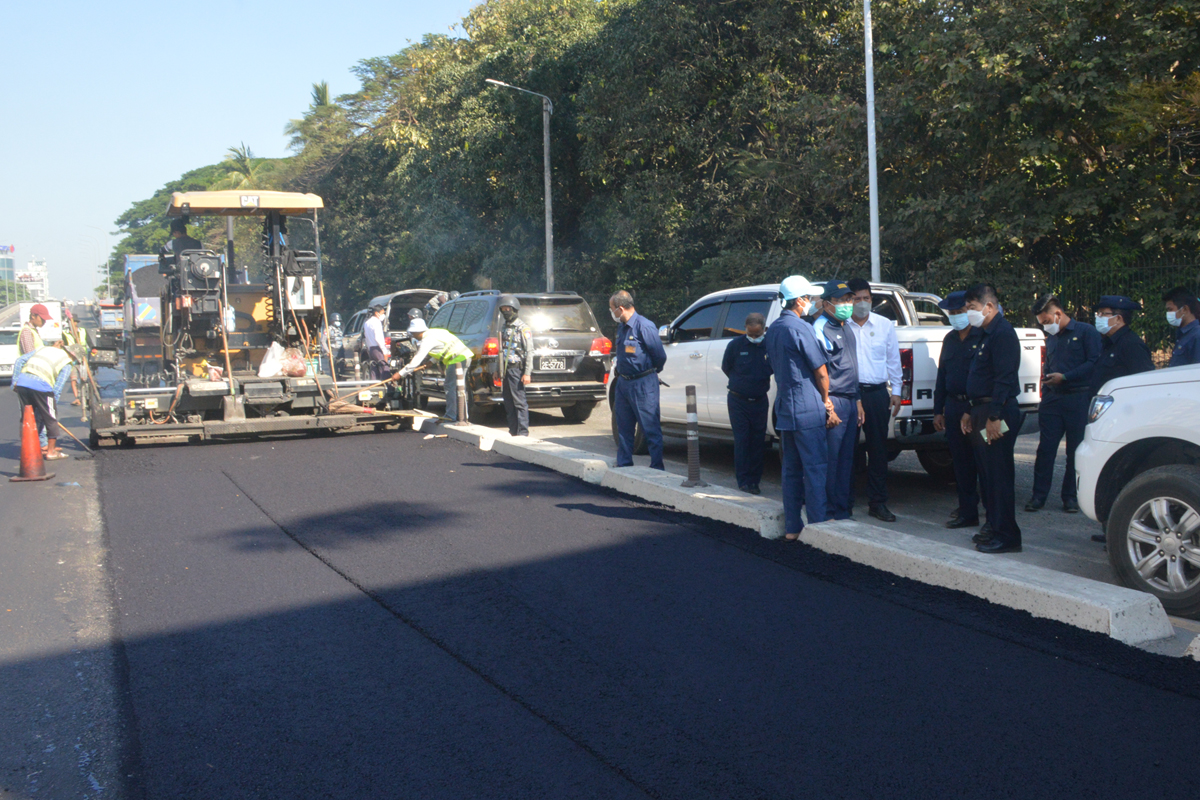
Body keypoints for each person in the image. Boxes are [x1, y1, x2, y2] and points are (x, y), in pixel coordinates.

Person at [765, 275, 835, 540]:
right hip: (807, 406)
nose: (813, 302)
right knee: (815, 469)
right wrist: (826, 399)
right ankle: (818, 527)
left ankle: (792, 528)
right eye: (810, 298)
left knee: (791, 471)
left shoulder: (774, 328)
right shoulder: (801, 327)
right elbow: (821, 372)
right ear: (800, 300)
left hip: (785, 406)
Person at [961, 284, 1023, 554]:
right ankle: (995, 528)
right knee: (988, 476)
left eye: (972, 308)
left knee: (999, 475)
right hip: (982, 411)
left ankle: (1007, 536)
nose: (968, 313)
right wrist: (969, 409)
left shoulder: (1002, 333)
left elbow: (1004, 378)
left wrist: (995, 416)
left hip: (997, 413)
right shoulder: (986, 334)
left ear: (989, 306)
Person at [1026, 294, 1101, 513]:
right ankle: (1038, 496)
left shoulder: (1086, 332)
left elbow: (1094, 362)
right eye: (1042, 323)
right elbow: (1048, 365)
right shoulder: (1052, 338)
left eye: (1047, 321)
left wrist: (1066, 377)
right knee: (1045, 450)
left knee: (1074, 451)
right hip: (1053, 398)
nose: (1045, 326)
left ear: (1058, 314)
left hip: (1078, 397)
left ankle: (1070, 497)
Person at [845, 278, 903, 522]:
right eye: (857, 299)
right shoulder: (841, 325)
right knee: (846, 450)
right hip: (849, 395)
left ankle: (877, 503)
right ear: (849, 300)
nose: (862, 303)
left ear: (871, 299)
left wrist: (897, 390)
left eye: (866, 298)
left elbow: (893, 358)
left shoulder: (884, 324)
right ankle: (844, 502)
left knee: (878, 451)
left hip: (877, 395)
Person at [932, 291, 988, 532]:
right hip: (953, 407)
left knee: (984, 462)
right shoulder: (950, 339)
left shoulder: (983, 335)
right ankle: (967, 511)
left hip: (977, 408)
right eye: (952, 313)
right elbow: (942, 376)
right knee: (961, 463)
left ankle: (992, 513)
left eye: (960, 312)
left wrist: (970, 409)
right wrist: (938, 410)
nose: (956, 316)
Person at [813, 280, 864, 520]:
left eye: (849, 299)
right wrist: (827, 405)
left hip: (850, 400)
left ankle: (842, 510)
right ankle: (828, 510)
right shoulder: (820, 328)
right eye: (841, 300)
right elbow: (819, 371)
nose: (847, 304)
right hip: (834, 401)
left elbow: (852, 367)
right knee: (830, 460)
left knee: (846, 459)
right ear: (827, 304)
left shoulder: (847, 327)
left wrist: (858, 400)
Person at [609, 290, 668, 470]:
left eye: (612, 309)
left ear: (620, 308)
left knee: (650, 428)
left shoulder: (644, 326)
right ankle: (624, 465)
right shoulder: (622, 327)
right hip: (623, 383)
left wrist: (648, 373)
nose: (611, 313)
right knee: (623, 428)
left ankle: (657, 468)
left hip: (643, 384)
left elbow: (660, 356)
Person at [721, 312, 773, 494]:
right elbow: (726, 367)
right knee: (742, 441)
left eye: (757, 334)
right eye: (750, 334)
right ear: (745, 329)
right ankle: (743, 481)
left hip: (759, 400)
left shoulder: (769, 346)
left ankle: (754, 481)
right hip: (738, 400)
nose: (753, 337)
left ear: (764, 330)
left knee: (758, 441)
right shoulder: (735, 345)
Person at [394, 318, 474, 422]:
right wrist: (432, 361)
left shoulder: (427, 341)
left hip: (457, 360)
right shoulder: (435, 332)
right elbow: (444, 347)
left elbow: (416, 361)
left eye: (413, 333)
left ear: (417, 331)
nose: (413, 336)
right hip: (465, 356)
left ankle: (451, 416)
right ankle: (462, 416)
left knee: (450, 387)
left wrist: (400, 374)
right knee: (459, 387)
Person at [11, 341, 79, 460]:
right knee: (51, 420)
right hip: (41, 386)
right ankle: (51, 452)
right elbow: (57, 389)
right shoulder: (67, 363)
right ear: (73, 356)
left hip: (22, 382)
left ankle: (27, 450)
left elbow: (19, 360)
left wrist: (15, 382)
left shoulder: (43, 348)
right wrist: (50, 409)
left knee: (27, 418)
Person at [1089, 296, 1154, 397]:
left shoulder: (1131, 344)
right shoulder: (1108, 342)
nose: (1098, 317)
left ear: (1118, 318)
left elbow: (1144, 380)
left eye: (1103, 314)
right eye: (1098, 313)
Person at [498, 294, 533, 437]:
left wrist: (527, 373)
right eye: (503, 309)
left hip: (516, 370)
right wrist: (497, 369)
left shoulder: (522, 328)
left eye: (508, 309)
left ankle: (523, 432)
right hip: (505, 370)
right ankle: (513, 431)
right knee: (508, 402)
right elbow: (501, 350)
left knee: (519, 403)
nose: (506, 312)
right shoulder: (504, 327)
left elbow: (529, 351)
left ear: (515, 309)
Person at [1164, 287, 1200, 368]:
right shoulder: (1183, 335)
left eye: (1170, 309)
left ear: (1184, 309)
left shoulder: (1197, 336)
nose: (1168, 314)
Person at [361, 304, 389, 380]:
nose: (383, 315)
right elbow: (378, 338)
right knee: (384, 368)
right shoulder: (377, 322)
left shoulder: (367, 323)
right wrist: (384, 351)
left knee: (374, 369)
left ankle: (374, 384)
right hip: (378, 348)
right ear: (377, 313)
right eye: (382, 313)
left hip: (371, 349)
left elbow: (366, 337)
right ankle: (387, 385)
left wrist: (369, 348)